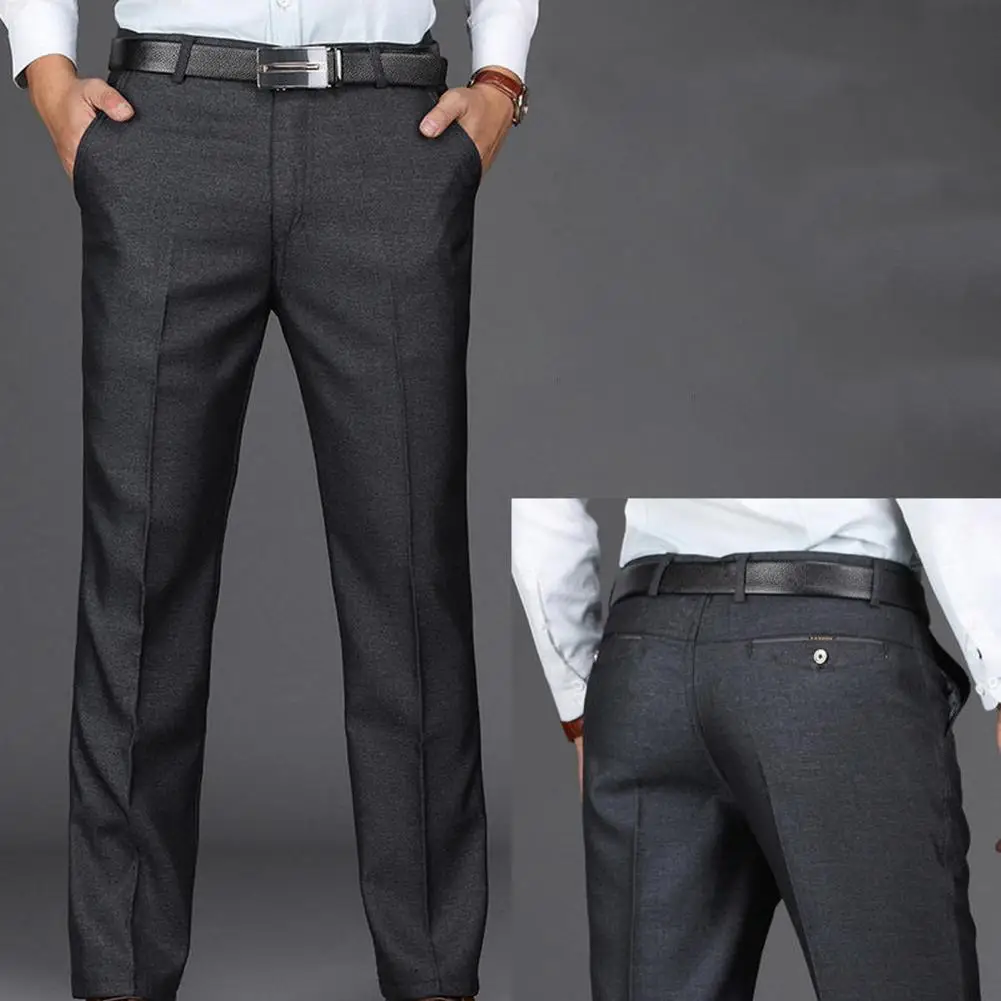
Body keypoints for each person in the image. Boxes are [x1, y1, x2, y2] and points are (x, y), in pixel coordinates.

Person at [1, 1, 537, 998]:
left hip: (385, 131)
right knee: (139, 576)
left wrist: (501, 78)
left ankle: (432, 975)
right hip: (168, 128)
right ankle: (120, 974)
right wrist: (46, 73)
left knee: (409, 575)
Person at [512, 498, 1000, 1001]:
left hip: (644, 655)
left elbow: (542, 506)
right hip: (833, 640)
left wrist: (577, 699)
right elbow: (949, 499)